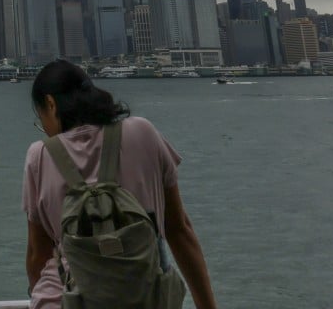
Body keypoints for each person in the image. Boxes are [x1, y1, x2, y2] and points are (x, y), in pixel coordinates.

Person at [23, 60, 217, 309]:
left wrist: (35, 293)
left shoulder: (39, 156)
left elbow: (37, 254)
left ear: (51, 104)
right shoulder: (143, 132)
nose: (45, 130)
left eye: (41, 119)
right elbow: (179, 230)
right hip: (146, 298)